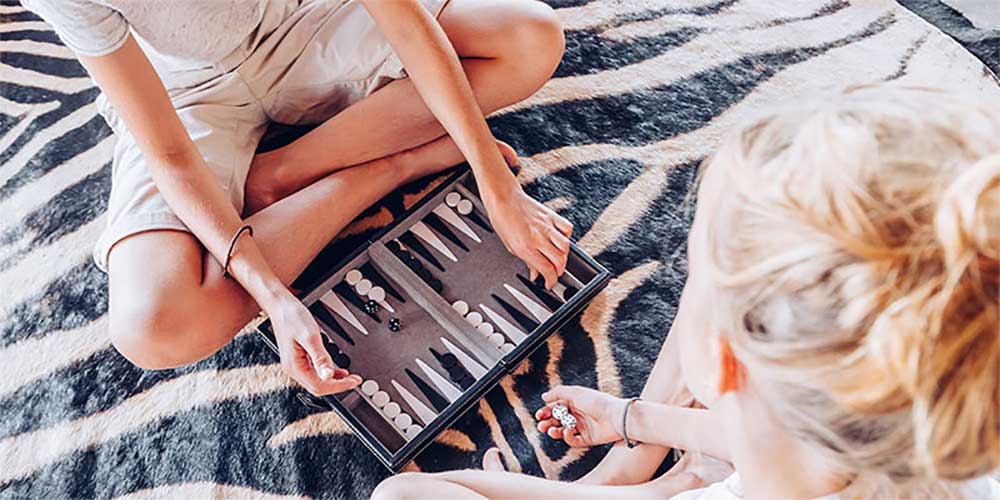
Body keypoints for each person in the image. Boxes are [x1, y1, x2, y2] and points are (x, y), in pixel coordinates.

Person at [371, 86, 1000, 499]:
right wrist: (633, 423)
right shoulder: (933, 429)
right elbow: (817, 445)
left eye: (695, 277)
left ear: (723, 361)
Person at [22, 0, 573, 396]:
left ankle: (282, 173)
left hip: (301, 20)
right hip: (181, 94)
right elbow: (168, 152)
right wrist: (273, 294)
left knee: (530, 37)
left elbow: (402, 21)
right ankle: (385, 166)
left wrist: (493, 182)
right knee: (153, 329)